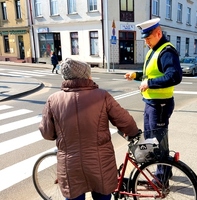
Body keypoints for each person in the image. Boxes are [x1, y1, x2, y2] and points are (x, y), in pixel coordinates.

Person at [39, 58, 139, 200]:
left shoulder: (53, 100)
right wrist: (134, 132)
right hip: (100, 164)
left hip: (70, 166)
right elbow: (125, 121)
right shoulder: (102, 96)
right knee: (102, 195)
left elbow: (47, 133)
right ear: (86, 76)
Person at [124, 18, 182, 185]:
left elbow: (174, 76)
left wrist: (149, 83)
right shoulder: (154, 50)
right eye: (145, 39)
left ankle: (161, 179)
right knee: (154, 139)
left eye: (148, 38)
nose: (146, 42)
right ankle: (166, 170)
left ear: (158, 33)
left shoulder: (166, 51)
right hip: (152, 103)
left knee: (157, 142)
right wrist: (136, 76)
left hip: (160, 105)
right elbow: (152, 74)